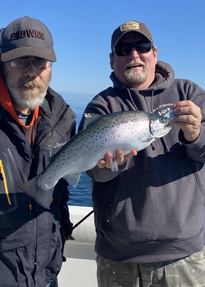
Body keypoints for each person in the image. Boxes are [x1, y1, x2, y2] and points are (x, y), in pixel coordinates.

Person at [79, 20, 205, 286]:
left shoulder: (189, 93)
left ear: (155, 53)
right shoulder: (101, 106)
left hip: (184, 255)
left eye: (141, 46)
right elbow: (94, 173)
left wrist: (195, 135)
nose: (133, 54)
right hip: (119, 257)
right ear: (112, 60)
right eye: (124, 50)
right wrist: (110, 166)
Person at [0, 16, 75, 287]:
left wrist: (63, 223)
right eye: (20, 61)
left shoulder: (62, 118)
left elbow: (61, 187)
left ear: (50, 66)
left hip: (45, 277)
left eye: (40, 62)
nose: (31, 72)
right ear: (0, 62)